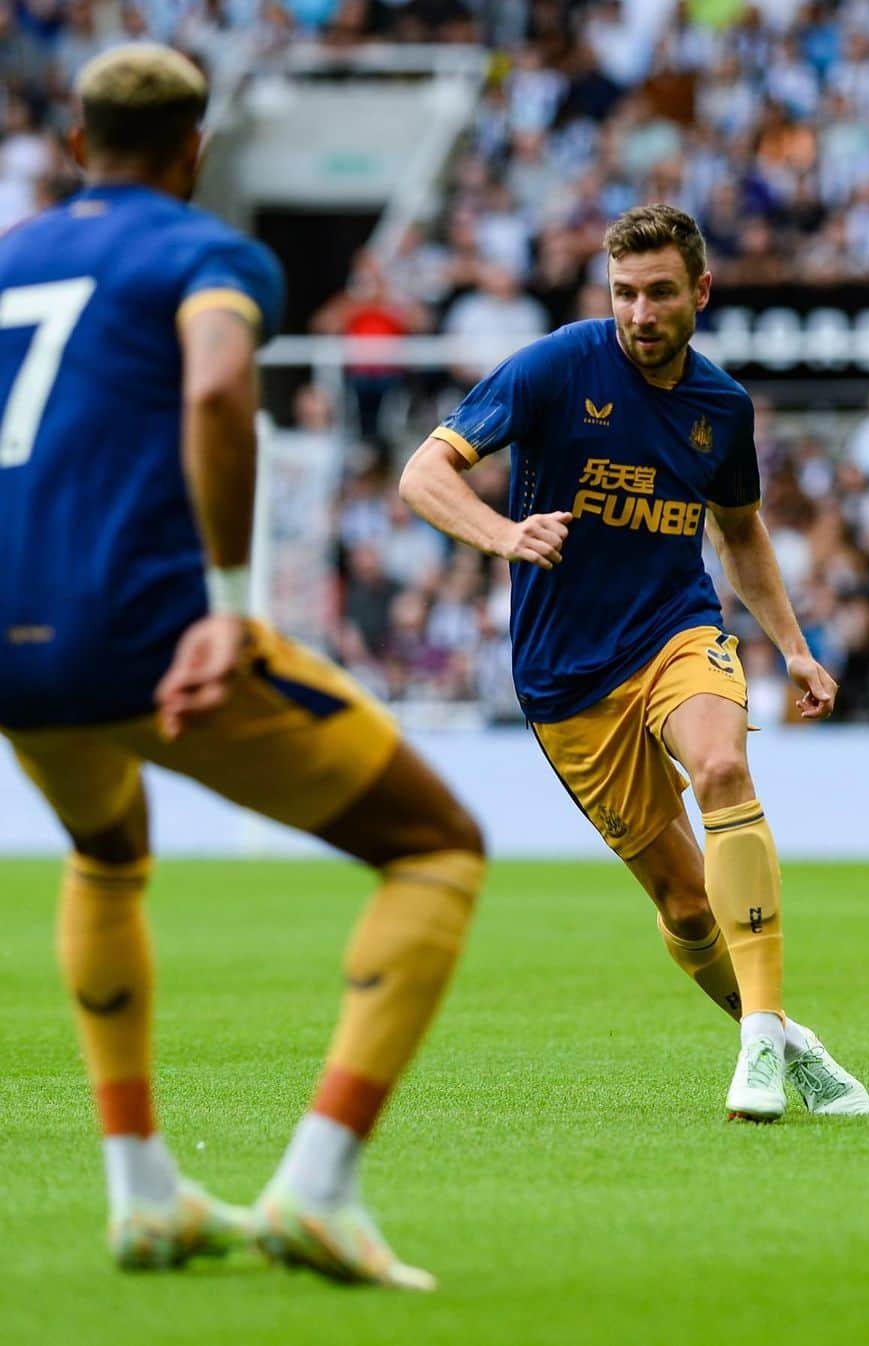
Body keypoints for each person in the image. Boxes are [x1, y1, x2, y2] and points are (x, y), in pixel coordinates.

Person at [0, 45, 484, 1288]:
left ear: (73, 140)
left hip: (14, 644)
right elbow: (218, 386)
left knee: (108, 852)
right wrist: (224, 603)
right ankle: (316, 1188)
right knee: (436, 847)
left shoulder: (8, 259)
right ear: (195, 148)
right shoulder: (207, 254)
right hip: (146, 635)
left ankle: (144, 1191)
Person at [401, 203, 869, 1123]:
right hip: (566, 682)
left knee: (724, 765)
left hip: (675, 634)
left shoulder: (721, 408)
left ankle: (761, 1039)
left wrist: (795, 649)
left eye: (659, 293)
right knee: (687, 906)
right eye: (623, 294)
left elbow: (739, 533)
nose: (640, 314)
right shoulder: (555, 366)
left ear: (700, 291)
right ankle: (779, 1035)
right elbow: (425, 472)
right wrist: (504, 533)